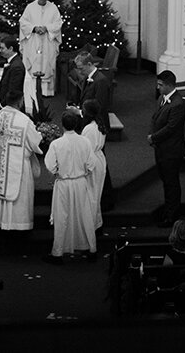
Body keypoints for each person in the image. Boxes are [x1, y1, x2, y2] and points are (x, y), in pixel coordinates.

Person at [0, 90, 43, 231]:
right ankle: (17, 226)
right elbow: (35, 143)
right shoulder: (24, 121)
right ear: (20, 102)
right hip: (18, 165)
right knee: (17, 198)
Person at [43, 111, 98, 264]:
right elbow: (91, 164)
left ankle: (58, 253)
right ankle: (91, 248)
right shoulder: (85, 142)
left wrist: (59, 173)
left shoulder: (56, 144)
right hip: (80, 183)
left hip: (64, 184)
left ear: (62, 125)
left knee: (62, 218)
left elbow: (50, 166)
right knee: (84, 215)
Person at [149, 70, 185, 228]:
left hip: (171, 150)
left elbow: (171, 127)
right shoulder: (162, 98)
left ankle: (172, 215)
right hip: (162, 148)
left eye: (160, 85)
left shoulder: (178, 103)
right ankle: (168, 210)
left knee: (171, 183)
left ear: (169, 85)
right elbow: (155, 118)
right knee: (166, 181)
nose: (157, 87)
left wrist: (154, 137)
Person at [20, 0, 63, 96]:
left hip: (47, 41)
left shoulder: (53, 8)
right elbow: (23, 22)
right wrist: (34, 28)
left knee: (47, 64)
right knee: (32, 62)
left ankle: (47, 92)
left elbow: (58, 23)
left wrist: (46, 28)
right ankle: (31, 90)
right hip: (33, 40)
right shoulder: (30, 7)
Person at [80, 99, 107, 230]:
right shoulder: (98, 124)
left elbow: (86, 149)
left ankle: (90, 226)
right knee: (96, 194)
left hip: (92, 162)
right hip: (99, 160)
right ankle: (96, 223)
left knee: (90, 195)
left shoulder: (89, 129)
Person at [0, 36, 26, 110]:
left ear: (11, 49)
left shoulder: (16, 67)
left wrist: (2, 105)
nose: (0, 50)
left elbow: (13, 90)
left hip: (12, 107)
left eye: (2, 48)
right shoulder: (13, 62)